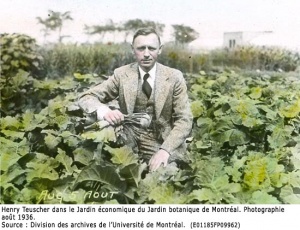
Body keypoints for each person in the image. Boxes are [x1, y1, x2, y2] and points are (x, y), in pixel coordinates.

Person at [78, 27, 193, 172]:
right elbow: (86, 97)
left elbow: (185, 120)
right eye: (140, 48)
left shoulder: (174, 77)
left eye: (151, 48)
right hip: (128, 134)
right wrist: (104, 110)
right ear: (133, 49)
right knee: (105, 164)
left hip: (160, 140)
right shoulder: (122, 74)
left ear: (160, 49)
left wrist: (165, 150)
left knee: (166, 172)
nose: (146, 54)